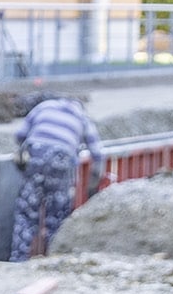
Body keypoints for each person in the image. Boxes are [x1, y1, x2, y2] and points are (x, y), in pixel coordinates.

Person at [11, 96, 105, 261]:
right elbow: (97, 153)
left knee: (26, 213)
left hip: (36, 155)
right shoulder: (82, 118)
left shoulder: (44, 107)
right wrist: (93, 183)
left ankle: (18, 259)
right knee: (56, 214)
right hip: (61, 159)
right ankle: (53, 258)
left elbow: (19, 135)